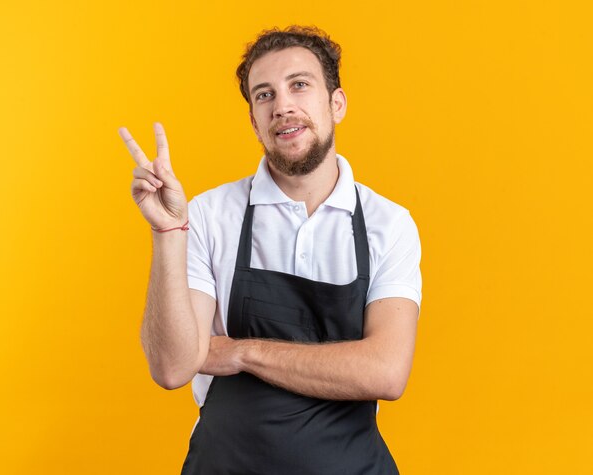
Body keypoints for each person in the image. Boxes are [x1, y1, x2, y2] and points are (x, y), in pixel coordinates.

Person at [119, 25, 422, 475]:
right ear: (254, 119)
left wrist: (241, 352)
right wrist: (168, 232)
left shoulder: (388, 224)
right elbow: (171, 366)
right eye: (264, 95)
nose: (282, 105)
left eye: (299, 85)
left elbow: (386, 372)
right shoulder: (208, 214)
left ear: (336, 104)